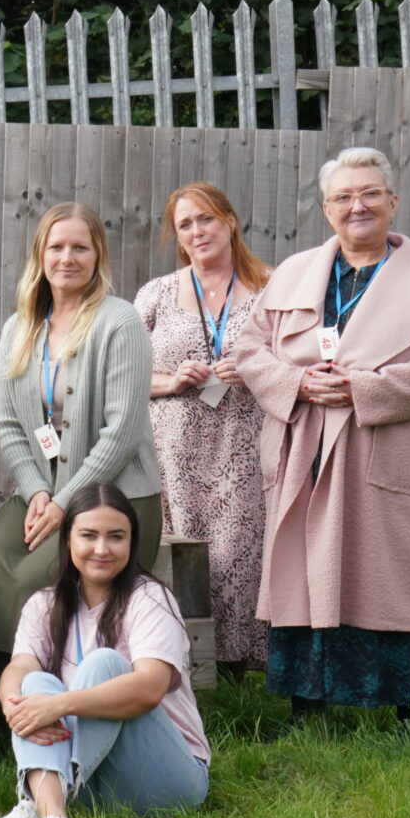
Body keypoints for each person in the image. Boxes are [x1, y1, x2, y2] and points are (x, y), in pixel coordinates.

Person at [232, 147, 410, 735]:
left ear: (392, 202)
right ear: (326, 209)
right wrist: (296, 381)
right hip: (305, 452)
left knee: (392, 576)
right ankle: (307, 709)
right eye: (344, 196)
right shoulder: (291, 276)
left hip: (383, 457)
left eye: (369, 193)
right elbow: (249, 351)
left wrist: (366, 390)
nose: (357, 205)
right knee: (304, 571)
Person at [0, 485, 209, 818]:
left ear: (132, 543)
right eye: (88, 535)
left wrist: (56, 706)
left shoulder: (149, 598)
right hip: (91, 783)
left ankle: (34, 803)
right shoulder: (44, 604)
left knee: (103, 665)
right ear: (67, 540)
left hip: (168, 778)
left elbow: (150, 688)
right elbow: (17, 669)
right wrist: (16, 706)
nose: (102, 549)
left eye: (116, 537)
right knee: (31, 684)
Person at [0, 203, 162, 653]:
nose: (67, 258)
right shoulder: (19, 328)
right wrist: (38, 491)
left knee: (37, 579)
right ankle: (5, 688)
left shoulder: (119, 322)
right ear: (40, 254)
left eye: (80, 247)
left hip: (111, 493)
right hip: (42, 490)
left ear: (98, 256)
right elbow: (10, 423)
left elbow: (123, 432)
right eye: (56, 247)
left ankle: (53, 692)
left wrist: (63, 503)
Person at [135, 184, 272, 676]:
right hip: (173, 452)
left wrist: (258, 370)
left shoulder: (271, 288)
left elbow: (296, 358)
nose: (197, 232)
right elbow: (122, 376)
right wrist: (170, 380)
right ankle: (181, 666)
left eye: (206, 219)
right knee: (186, 554)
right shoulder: (156, 294)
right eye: (186, 224)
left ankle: (237, 667)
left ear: (230, 221)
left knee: (238, 554)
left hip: (244, 446)